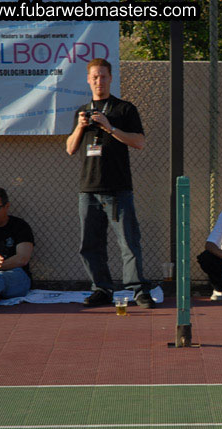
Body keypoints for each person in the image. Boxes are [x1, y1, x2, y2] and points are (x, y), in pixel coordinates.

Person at [66, 58, 154, 309]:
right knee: (90, 244)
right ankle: (101, 289)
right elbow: (71, 149)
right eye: (94, 77)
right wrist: (80, 128)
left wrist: (109, 126)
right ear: (88, 79)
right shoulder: (82, 111)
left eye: (103, 76)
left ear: (111, 78)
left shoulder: (124, 109)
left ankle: (138, 291)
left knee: (128, 241)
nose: (98, 81)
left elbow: (139, 142)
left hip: (117, 189)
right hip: (88, 189)